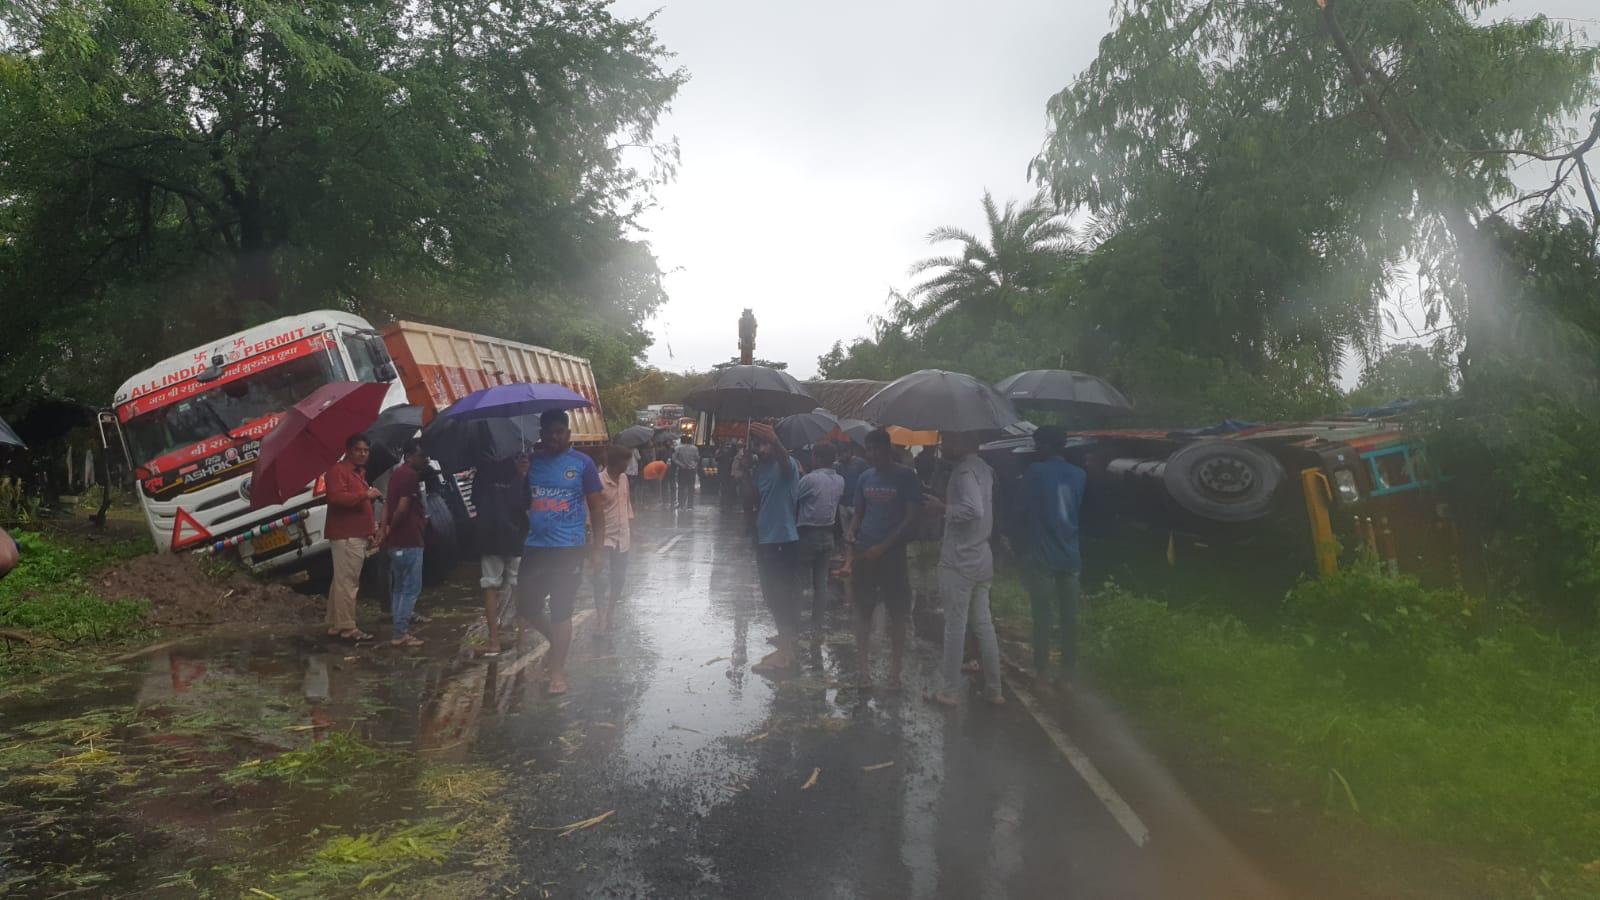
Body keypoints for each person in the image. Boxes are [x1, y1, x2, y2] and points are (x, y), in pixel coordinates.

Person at [517, 409, 606, 696]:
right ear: (541, 435)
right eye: (549, 432)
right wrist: (519, 477)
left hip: (569, 549)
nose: (555, 437)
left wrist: (597, 550)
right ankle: (557, 642)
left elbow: (596, 508)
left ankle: (556, 673)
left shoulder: (582, 464)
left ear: (568, 434)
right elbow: (519, 504)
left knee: (561, 610)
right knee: (527, 608)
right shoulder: (530, 462)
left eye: (560, 432)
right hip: (535, 547)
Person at [925, 433, 1003, 707]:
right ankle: (995, 689)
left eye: (947, 439)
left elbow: (974, 510)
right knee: (983, 624)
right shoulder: (985, 468)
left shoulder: (963, 471)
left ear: (963, 441)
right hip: (981, 557)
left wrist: (942, 508)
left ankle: (949, 691)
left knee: (955, 626)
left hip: (960, 561)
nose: (943, 444)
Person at [843, 428, 921, 689]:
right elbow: (859, 512)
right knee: (863, 610)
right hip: (865, 553)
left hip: (893, 556)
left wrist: (884, 547)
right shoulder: (865, 477)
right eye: (869, 450)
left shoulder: (906, 477)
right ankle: (863, 670)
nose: (872, 454)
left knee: (897, 614)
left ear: (889, 450)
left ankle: (895, 673)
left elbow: (911, 518)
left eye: (877, 449)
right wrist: (852, 530)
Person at [1018, 425, 1087, 688]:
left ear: (1047, 445)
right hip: (1071, 554)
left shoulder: (1035, 472)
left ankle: (1042, 671)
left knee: (1042, 615)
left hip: (1042, 555)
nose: (1035, 449)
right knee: (1070, 616)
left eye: (1038, 444)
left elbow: (1022, 511)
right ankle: (1068, 673)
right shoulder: (1080, 475)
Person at [745, 421, 802, 673]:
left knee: (781, 595)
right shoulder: (760, 470)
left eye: (766, 443)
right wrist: (744, 471)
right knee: (770, 595)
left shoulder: (786, 467)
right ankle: (785, 644)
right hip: (764, 538)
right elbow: (752, 502)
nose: (762, 448)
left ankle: (787, 653)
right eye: (758, 444)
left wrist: (775, 440)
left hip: (783, 539)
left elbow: (783, 457)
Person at [323, 434, 381, 643]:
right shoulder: (338, 471)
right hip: (346, 535)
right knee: (348, 582)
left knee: (341, 580)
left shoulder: (359, 473)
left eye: (366, 450)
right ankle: (348, 627)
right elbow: (336, 498)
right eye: (359, 450)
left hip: (356, 533)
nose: (363, 454)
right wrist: (365, 496)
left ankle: (336, 624)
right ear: (348, 451)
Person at [473, 451, 531, 656]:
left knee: (490, 585)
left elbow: (475, 501)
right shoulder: (517, 471)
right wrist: (523, 476)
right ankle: (522, 640)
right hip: (515, 537)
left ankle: (494, 642)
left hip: (489, 537)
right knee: (518, 586)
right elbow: (525, 503)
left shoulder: (482, 471)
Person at [381, 440, 430, 648]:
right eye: (421, 456)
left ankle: (398, 629)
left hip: (396, 542)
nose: (425, 459)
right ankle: (400, 632)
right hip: (409, 539)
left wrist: (386, 529)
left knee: (400, 587)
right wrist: (393, 525)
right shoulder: (409, 476)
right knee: (411, 588)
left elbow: (387, 505)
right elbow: (401, 507)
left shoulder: (396, 474)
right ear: (410, 456)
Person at [795, 442, 845, 632]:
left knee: (799, 582)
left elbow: (795, 496)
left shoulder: (810, 479)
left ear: (818, 458)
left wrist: (801, 475)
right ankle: (817, 625)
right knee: (821, 583)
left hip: (807, 533)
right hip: (828, 534)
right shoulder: (840, 480)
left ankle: (794, 626)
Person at [592, 445, 635, 632]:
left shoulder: (624, 479)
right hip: (604, 537)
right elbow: (592, 512)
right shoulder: (598, 481)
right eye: (624, 461)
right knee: (600, 579)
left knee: (619, 579)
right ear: (614, 462)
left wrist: (634, 529)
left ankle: (610, 612)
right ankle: (601, 617)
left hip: (622, 537)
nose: (626, 465)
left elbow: (626, 504)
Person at [837, 442, 868, 529]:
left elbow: (866, 481)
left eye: (842, 453)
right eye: (839, 454)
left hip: (856, 503)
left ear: (849, 452)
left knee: (858, 529)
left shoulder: (860, 463)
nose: (840, 457)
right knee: (846, 531)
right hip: (843, 502)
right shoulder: (838, 465)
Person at [671, 436, 701, 509]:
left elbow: (674, 458)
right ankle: (690, 505)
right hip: (691, 470)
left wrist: (681, 464)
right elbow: (697, 458)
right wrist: (693, 465)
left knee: (681, 487)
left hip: (682, 469)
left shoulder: (678, 448)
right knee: (691, 487)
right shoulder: (694, 448)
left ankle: (681, 504)